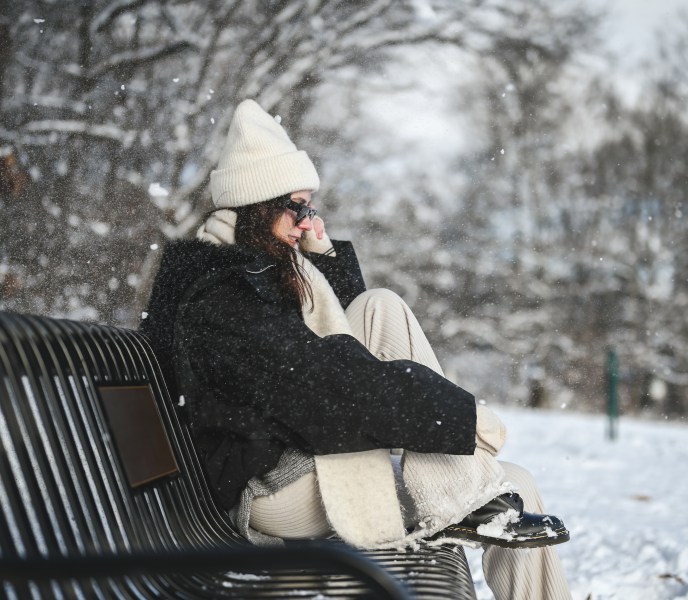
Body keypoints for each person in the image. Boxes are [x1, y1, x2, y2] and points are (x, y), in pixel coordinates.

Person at [141, 99, 572, 600]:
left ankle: (461, 492)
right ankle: (459, 492)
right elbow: (328, 389)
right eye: (296, 207)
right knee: (507, 485)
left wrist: (323, 259)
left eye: (311, 207)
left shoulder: (247, 271)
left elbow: (341, 342)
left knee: (384, 310)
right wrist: (461, 416)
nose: (307, 220)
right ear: (258, 206)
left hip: (290, 454)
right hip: (268, 488)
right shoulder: (222, 296)